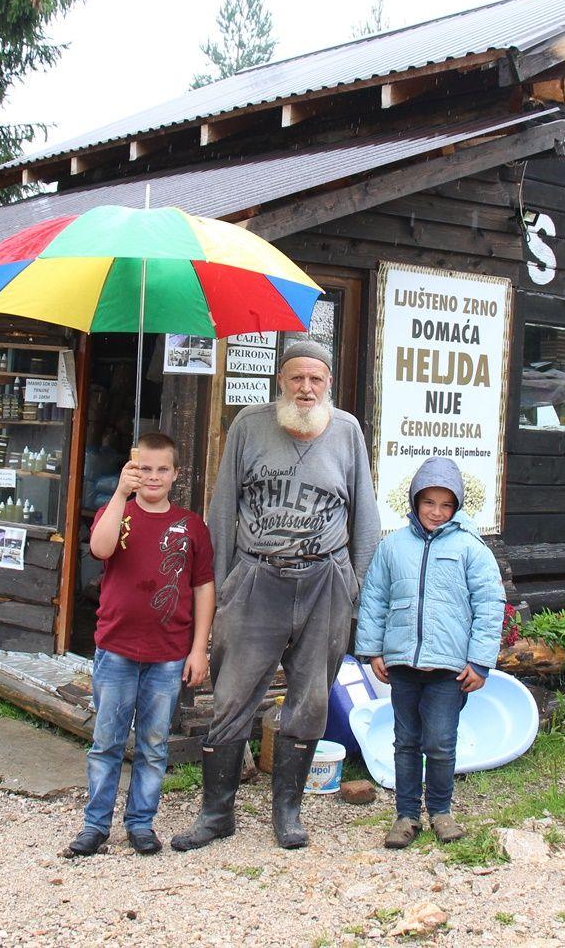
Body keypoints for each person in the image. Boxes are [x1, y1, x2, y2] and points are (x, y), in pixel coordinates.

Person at [172, 341, 381, 851]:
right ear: (280, 381)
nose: (306, 388)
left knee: (310, 700)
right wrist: (222, 588)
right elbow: (222, 509)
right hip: (257, 579)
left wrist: (355, 585)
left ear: (328, 382)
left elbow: (367, 519)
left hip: (324, 583)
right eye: (296, 378)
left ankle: (287, 813)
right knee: (231, 696)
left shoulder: (348, 430)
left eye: (315, 379)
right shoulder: (249, 424)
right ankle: (217, 814)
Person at [64, 432, 215, 858]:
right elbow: (100, 547)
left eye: (161, 469)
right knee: (107, 743)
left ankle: (141, 824)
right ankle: (95, 826)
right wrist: (118, 492)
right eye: (143, 468)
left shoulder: (191, 526)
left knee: (153, 746)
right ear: (132, 471)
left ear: (175, 475)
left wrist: (198, 648)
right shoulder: (119, 513)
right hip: (116, 649)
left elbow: (204, 588)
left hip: (167, 655)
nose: (153, 477)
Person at [354, 456, 505, 849]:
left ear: (456, 507)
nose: (436, 512)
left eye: (445, 504)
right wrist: (372, 650)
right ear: (415, 501)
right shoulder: (393, 546)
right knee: (405, 741)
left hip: (449, 668)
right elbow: (374, 598)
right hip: (403, 663)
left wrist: (480, 661)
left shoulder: (471, 548)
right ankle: (405, 816)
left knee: (439, 741)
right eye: (429, 503)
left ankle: (441, 811)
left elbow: (490, 604)